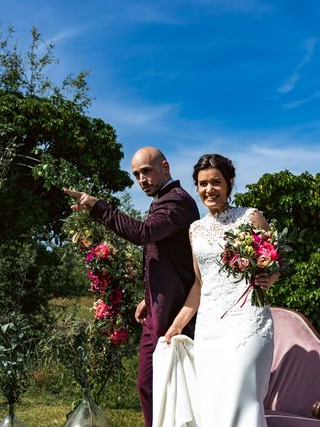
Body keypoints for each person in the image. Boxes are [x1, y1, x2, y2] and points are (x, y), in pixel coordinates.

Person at [64, 146, 200, 427]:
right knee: (149, 384)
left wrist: (97, 206)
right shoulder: (163, 200)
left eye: (147, 171)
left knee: (162, 385)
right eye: (137, 174)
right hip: (157, 304)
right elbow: (165, 256)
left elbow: (143, 234)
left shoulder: (176, 202)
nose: (142, 180)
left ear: (166, 166)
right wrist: (147, 296)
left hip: (174, 310)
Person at [164, 153, 279, 427]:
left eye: (215, 182)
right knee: (214, 404)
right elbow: (200, 284)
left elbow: (276, 262)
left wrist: (270, 278)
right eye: (202, 184)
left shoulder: (251, 218)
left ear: (229, 182)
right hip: (210, 328)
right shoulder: (195, 229)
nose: (209, 189)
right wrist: (176, 325)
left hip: (248, 322)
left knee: (242, 399)